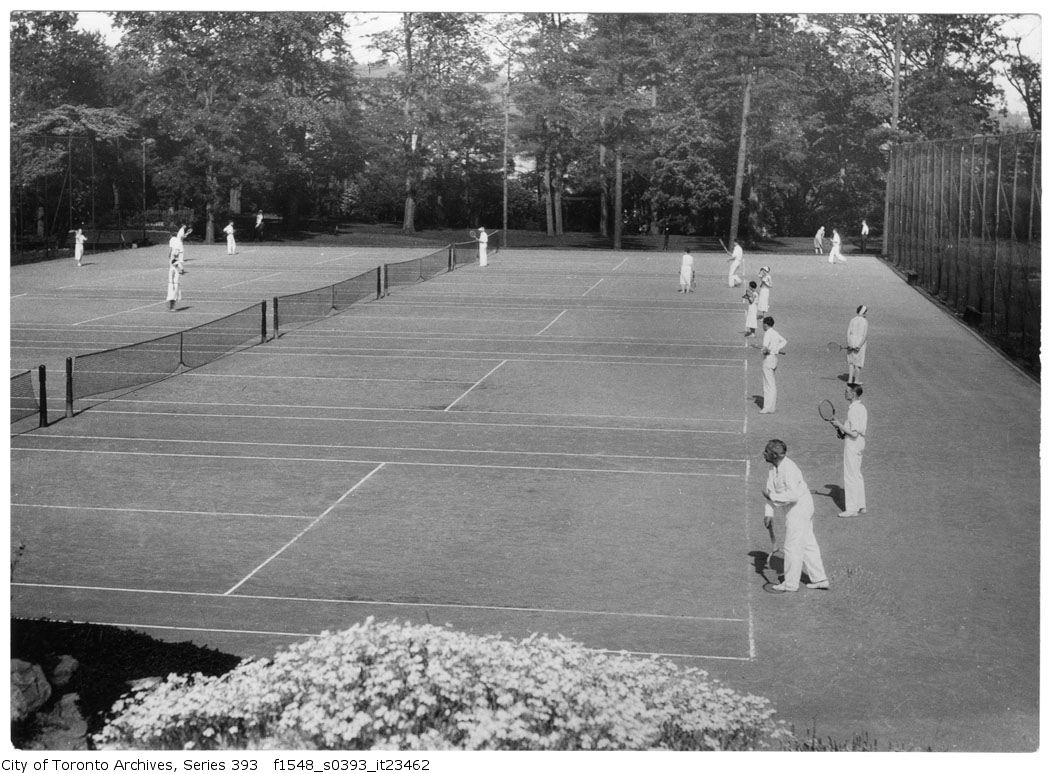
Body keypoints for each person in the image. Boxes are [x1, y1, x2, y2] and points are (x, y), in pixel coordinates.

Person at [761, 439, 829, 592]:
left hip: (800, 508)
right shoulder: (773, 468)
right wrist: (769, 513)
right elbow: (770, 491)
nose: (763, 453)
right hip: (797, 507)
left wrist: (772, 498)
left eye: (766, 451)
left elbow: (793, 496)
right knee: (808, 543)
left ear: (775, 455)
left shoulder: (789, 469)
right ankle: (820, 579)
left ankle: (791, 583)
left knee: (791, 546)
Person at [830, 384, 868, 518]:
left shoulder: (853, 410)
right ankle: (861, 505)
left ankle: (851, 509)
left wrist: (839, 425)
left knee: (850, 476)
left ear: (853, 394)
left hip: (853, 444)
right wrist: (841, 429)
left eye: (847, 391)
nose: (845, 393)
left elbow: (853, 434)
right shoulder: (861, 408)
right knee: (857, 474)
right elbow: (851, 431)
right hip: (860, 444)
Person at [759, 316, 786, 414]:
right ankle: (772, 407)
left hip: (768, 360)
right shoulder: (775, 333)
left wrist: (766, 350)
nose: (762, 325)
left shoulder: (767, 334)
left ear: (766, 324)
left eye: (763, 324)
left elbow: (765, 349)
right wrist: (776, 349)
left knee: (767, 385)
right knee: (772, 384)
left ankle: (767, 407)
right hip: (774, 360)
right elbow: (784, 341)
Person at [846, 304, 869, 384]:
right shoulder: (865, 321)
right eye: (866, 312)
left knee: (851, 362)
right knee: (858, 363)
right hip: (860, 343)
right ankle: (856, 380)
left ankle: (849, 380)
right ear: (863, 312)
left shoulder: (852, 320)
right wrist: (859, 346)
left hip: (851, 341)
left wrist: (849, 343)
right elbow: (864, 335)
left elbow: (848, 333)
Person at [165, 242, 182, 311]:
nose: (178, 265)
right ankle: (171, 307)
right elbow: (172, 277)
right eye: (177, 264)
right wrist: (173, 285)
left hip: (175, 284)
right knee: (172, 296)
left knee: (175, 297)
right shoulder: (172, 269)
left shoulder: (175, 269)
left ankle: (172, 307)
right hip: (172, 284)